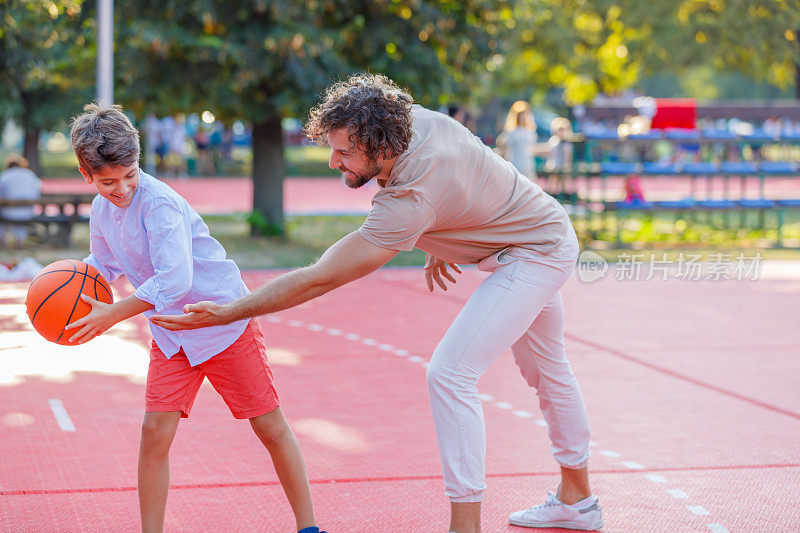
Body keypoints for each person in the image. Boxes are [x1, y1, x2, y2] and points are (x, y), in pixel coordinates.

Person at [151, 74, 602, 533]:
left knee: (449, 373)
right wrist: (440, 237)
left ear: (380, 146)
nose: (333, 161)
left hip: (534, 253)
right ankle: (578, 499)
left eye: (344, 152)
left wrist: (230, 311)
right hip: (539, 231)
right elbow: (463, 173)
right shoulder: (409, 121)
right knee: (547, 371)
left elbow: (319, 278)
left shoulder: (413, 194)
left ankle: (465, 526)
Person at [64, 102, 325, 533]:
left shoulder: (160, 204)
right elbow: (104, 265)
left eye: (129, 175)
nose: (122, 188)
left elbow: (175, 279)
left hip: (222, 322)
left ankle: (310, 527)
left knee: (270, 427)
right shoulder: (101, 210)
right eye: (108, 182)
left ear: (138, 160)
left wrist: (111, 315)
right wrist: (68, 284)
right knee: (154, 435)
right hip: (172, 335)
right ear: (85, 174)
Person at [0, 154, 42, 247]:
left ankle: (2, 241)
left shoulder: (5, 175)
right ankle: (20, 240)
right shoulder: (30, 175)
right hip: (28, 213)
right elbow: (37, 193)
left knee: (3, 215)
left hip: (8, 213)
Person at [496, 100, 538, 180]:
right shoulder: (511, 132)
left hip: (528, 165)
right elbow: (503, 145)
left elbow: (532, 148)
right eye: (520, 115)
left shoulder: (530, 132)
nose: (522, 117)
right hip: (515, 164)